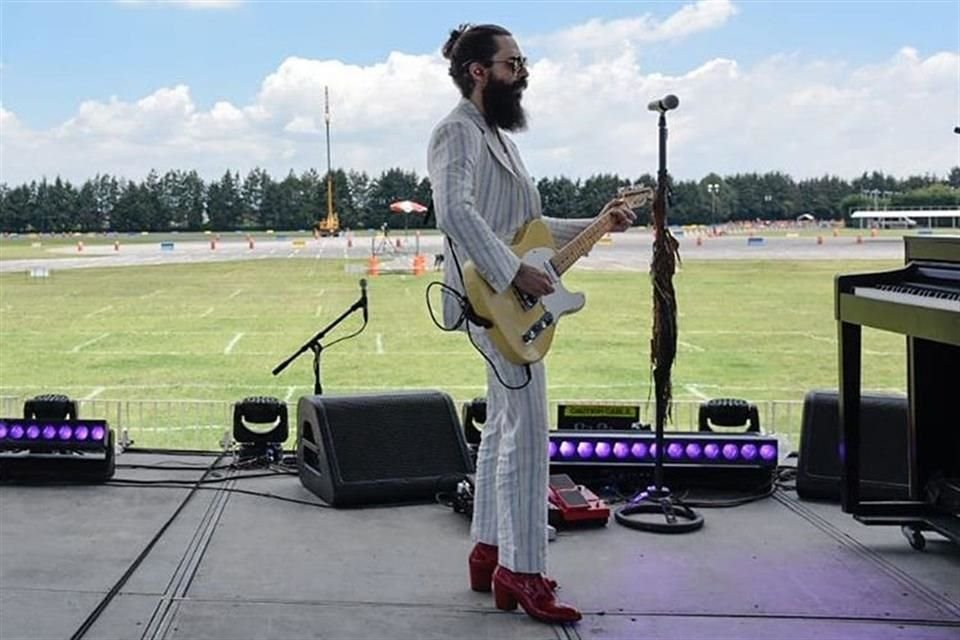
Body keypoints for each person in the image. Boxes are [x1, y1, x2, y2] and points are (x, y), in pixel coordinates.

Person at [427, 24, 635, 624]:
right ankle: (523, 570)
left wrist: (599, 224)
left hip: (503, 296)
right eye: (513, 62)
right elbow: (456, 212)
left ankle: (489, 550)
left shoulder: (498, 137)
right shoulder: (456, 131)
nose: (523, 71)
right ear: (478, 72)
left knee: (502, 428)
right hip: (484, 299)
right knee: (530, 430)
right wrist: (513, 273)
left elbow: (530, 231)